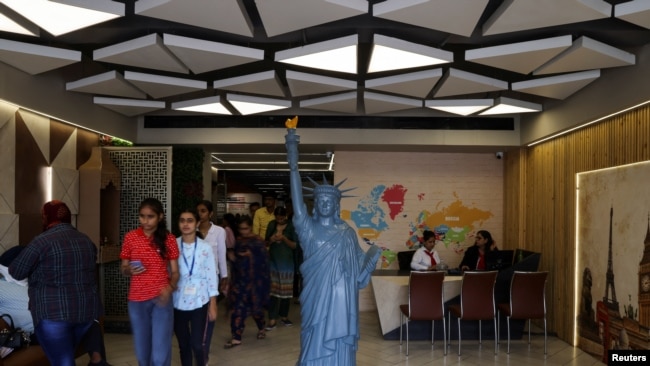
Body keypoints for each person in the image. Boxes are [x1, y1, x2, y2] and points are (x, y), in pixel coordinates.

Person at [285, 126, 381, 365]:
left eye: (330, 201)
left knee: (339, 342)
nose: (326, 204)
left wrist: (370, 260)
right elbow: (297, 204)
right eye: (321, 200)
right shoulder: (308, 228)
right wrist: (293, 159)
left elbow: (359, 268)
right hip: (316, 297)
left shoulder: (347, 232)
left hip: (342, 300)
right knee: (312, 333)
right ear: (315, 205)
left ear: (336, 206)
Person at [9, 200, 102, 365]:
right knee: (65, 359)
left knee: (63, 362)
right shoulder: (86, 240)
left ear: (46, 217)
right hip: (86, 313)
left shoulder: (41, 241)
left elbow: (16, 272)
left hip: (53, 315)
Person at [120, 198, 179, 366]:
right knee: (142, 355)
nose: (145, 221)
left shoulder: (169, 239)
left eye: (150, 216)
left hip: (161, 300)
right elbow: (124, 267)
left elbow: (175, 272)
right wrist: (128, 269)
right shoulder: (131, 237)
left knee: (160, 355)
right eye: (142, 216)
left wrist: (169, 288)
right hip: (137, 301)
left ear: (160, 217)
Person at [173, 209, 218, 366]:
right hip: (177, 300)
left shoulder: (205, 248)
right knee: (183, 344)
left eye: (190, 220)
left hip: (200, 300)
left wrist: (213, 304)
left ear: (197, 223)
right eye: (182, 220)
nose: (186, 224)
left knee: (197, 345)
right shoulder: (173, 245)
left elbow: (212, 276)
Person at [224, 216, 270, 349]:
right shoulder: (239, 241)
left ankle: (261, 328)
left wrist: (249, 256)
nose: (243, 231)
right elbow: (237, 261)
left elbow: (264, 263)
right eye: (240, 229)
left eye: (246, 228)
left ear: (250, 227)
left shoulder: (258, 242)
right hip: (240, 282)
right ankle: (236, 337)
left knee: (256, 309)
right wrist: (234, 258)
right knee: (238, 309)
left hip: (255, 282)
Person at [195, 200, 228, 363]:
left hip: (211, 278)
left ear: (210, 213)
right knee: (196, 317)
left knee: (209, 317)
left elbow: (221, 254)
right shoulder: (191, 229)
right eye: (198, 211)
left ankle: (204, 353)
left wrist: (224, 276)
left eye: (203, 211)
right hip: (193, 280)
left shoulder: (219, 231)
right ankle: (198, 348)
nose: (200, 214)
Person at [265, 207, 298, 330]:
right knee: (273, 291)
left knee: (286, 291)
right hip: (273, 262)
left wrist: (284, 238)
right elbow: (266, 242)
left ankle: (284, 316)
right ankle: (272, 318)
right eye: (277, 218)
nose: (279, 220)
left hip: (287, 263)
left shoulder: (291, 226)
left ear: (285, 216)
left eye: (282, 218)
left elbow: (295, 245)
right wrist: (272, 239)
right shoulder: (271, 225)